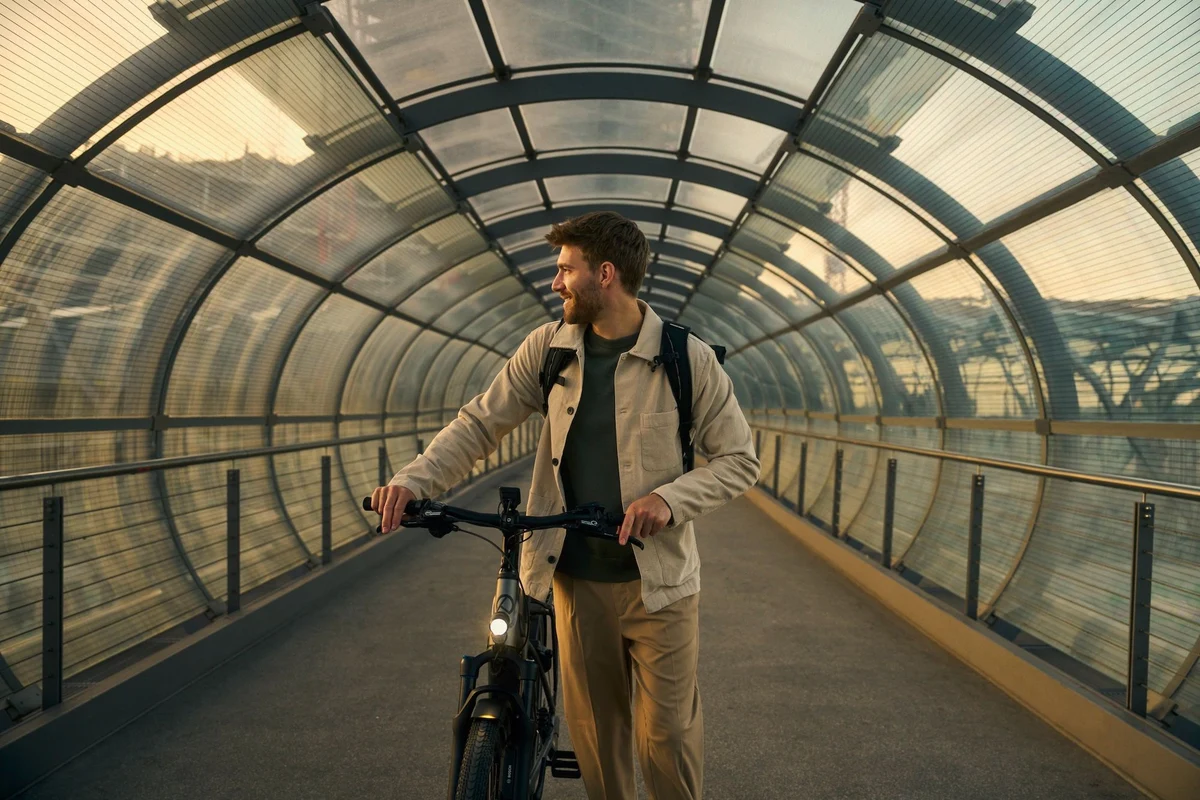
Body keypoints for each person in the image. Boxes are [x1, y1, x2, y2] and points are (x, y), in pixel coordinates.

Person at [371, 211, 759, 800]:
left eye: (565, 268)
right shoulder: (548, 350)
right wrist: (413, 481)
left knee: (667, 738)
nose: (555, 282)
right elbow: (480, 424)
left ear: (605, 274)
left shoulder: (687, 359)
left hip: (661, 584)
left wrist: (668, 499)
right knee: (600, 740)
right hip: (574, 580)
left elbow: (739, 460)